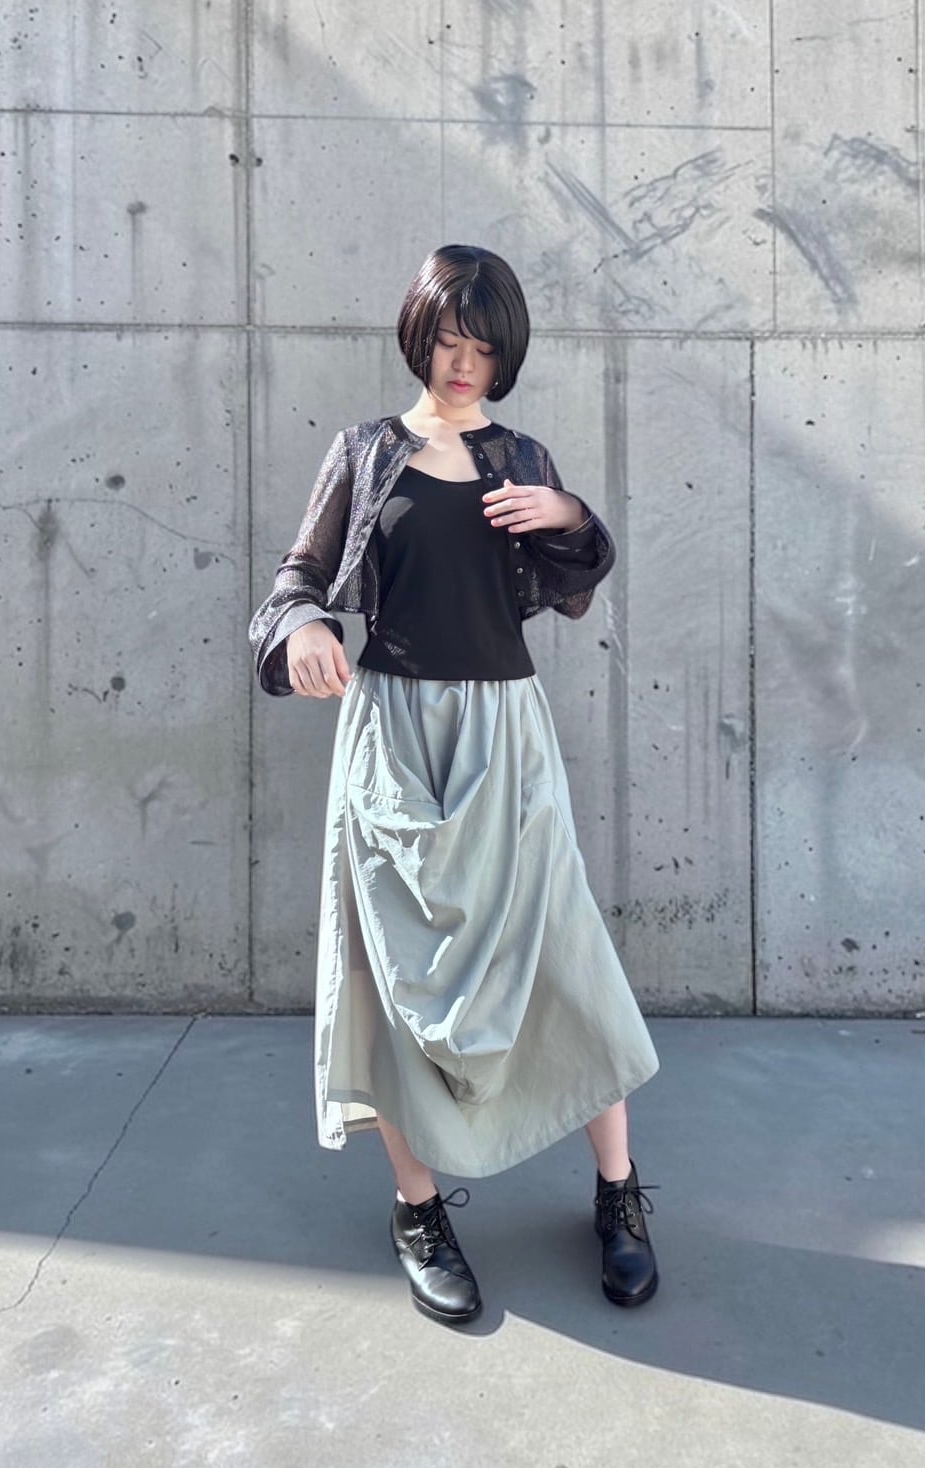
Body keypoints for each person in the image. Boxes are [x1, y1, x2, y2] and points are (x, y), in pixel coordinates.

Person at [249, 244, 660, 1325]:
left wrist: (569, 515)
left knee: (564, 954)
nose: (462, 362)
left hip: (504, 735)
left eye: (481, 345)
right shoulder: (364, 453)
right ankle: (418, 1207)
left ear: (504, 353)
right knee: (393, 978)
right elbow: (295, 579)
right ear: (418, 338)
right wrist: (303, 626)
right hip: (391, 733)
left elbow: (573, 585)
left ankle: (618, 1191)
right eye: (446, 340)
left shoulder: (521, 458)